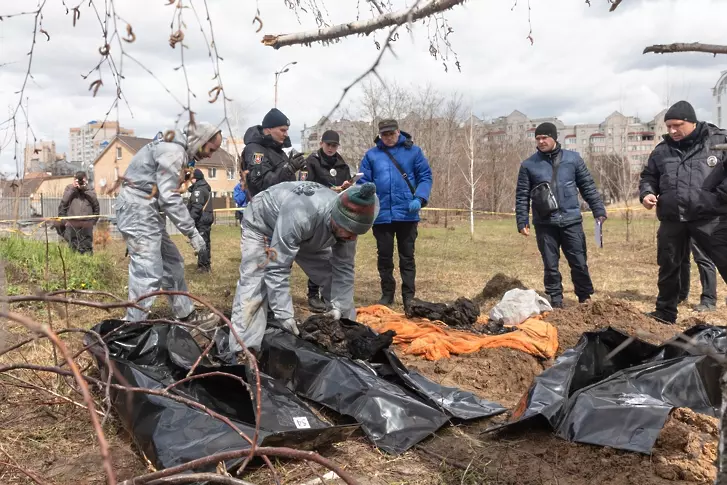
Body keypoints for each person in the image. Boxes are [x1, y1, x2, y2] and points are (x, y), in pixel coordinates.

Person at [229, 181, 379, 355]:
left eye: (356, 233)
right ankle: (244, 351)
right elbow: (278, 268)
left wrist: (339, 307)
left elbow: (344, 268)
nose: (352, 238)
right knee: (255, 283)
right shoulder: (300, 215)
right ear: (336, 220)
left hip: (309, 233)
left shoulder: (352, 220)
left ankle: (347, 340)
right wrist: (284, 315)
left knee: (332, 277)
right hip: (264, 224)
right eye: (349, 232)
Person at [115, 122, 221, 328]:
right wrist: (192, 233)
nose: (210, 156)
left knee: (172, 263)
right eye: (210, 149)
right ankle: (130, 329)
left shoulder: (174, 149)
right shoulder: (173, 151)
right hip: (137, 209)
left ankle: (185, 316)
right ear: (200, 141)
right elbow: (169, 198)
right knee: (148, 269)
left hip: (145, 208)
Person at [640, 100, 727, 324]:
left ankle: (709, 299)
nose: (672, 130)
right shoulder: (662, 151)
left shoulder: (718, 142)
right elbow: (649, 176)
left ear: (692, 122)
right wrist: (647, 193)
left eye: (677, 125)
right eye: (668, 126)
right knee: (668, 266)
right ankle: (665, 313)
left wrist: (718, 196)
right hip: (672, 219)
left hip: (710, 217)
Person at [515, 122, 607, 308]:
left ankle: (584, 299)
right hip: (544, 223)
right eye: (538, 138)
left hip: (571, 220)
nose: (541, 141)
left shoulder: (573, 159)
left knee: (579, 262)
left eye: (544, 138)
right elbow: (522, 194)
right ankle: (555, 300)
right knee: (550, 265)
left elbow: (587, 186)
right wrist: (522, 220)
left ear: (554, 138)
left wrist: (598, 210)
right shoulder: (528, 165)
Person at [359, 119, 433, 310]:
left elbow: (425, 176)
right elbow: (363, 181)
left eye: (391, 133)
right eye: (385, 134)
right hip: (381, 215)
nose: (388, 137)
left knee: (407, 257)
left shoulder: (413, 152)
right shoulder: (371, 155)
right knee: (384, 257)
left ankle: (409, 296)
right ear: (380, 135)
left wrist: (420, 198)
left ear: (398, 132)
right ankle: (387, 294)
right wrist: (364, 191)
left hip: (407, 213)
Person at [299, 129, 353, 312]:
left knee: (332, 256)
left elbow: (347, 188)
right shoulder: (311, 162)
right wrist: (329, 189)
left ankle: (328, 294)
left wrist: (345, 187)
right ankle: (313, 294)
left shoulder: (342, 165)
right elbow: (305, 187)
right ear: (321, 143)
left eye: (334, 145)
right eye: (328, 144)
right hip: (316, 213)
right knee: (319, 254)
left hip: (336, 215)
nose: (331, 148)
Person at [242, 108, 306, 197]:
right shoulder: (255, 150)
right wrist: (290, 168)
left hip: (282, 206)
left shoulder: (278, 151)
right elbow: (261, 183)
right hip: (264, 208)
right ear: (268, 130)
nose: (286, 134)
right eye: (282, 130)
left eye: (287, 130)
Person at [57, 171, 100, 255]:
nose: (80, 182)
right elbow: (64, 202)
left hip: (87, 223)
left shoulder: (89, 189)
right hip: (72, 222)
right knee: (73, 247)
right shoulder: (69, 188)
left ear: (86, 180)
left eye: (82, 180)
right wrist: (74, 188)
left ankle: (88, 263)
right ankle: (75, 264)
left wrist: (85, 189)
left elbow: (95, 203)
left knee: (87, 246)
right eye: (78, 180)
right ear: (74, 179)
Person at [187, 168, 214, 272]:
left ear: (195, 179)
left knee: (202, 242)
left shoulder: (199, 190)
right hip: (205, 217)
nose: (189, 180)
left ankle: (203, 266)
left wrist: (189, 221)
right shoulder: (203, 188)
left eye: (191, 178)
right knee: (205, 242)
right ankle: (206, 265)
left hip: (202, 219)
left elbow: (196, 208)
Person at [678, 240, 717, 312]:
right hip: (678, 228)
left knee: (703, 258)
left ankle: (709, 301)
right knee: (681, 257)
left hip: (699, 228)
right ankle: (681, 296)